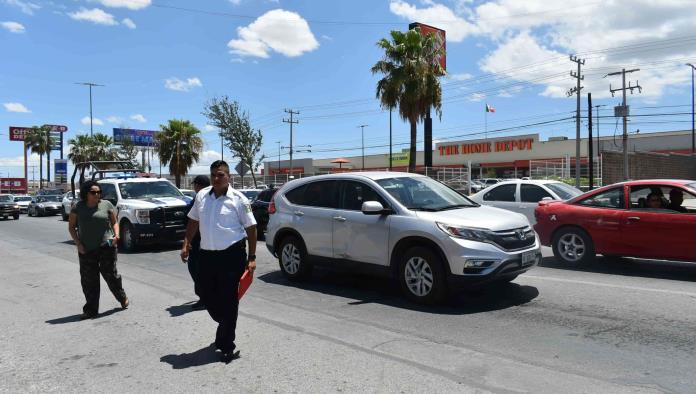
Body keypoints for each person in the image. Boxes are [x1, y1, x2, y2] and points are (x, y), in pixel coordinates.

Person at [181, 160, 257, 363]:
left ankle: (226, 346)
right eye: (213, 174)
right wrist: (186, 242)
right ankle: (224, 322)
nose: (216, 178)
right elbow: (193, 221)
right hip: (207, 255)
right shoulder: (201, 196)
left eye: (220, 174)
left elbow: (251, 229)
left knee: (230, 301)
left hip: (232, 256)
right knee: (205, 294)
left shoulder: (239, 200)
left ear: (228, 176)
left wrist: (252, 258)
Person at [68, 180, 129, 319]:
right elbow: (71, 227)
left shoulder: (106, 205)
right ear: (86, 193)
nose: (97, 194)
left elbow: (115, 223)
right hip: (86, 249)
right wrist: (78, 244)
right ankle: (91, 310)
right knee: (89, 280)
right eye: (93, 192)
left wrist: (116, 235)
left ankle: (122, 297)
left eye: (99, 192)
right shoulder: (78, 207)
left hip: (106, 245)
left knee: (110, 275)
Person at [183, 175, 211, 310]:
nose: (194, 187)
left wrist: (187, 243)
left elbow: (193, 221)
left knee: (196, 269)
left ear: (199, 185)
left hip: (199, 240)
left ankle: (205, 298)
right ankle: (207, 296)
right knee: (200, 269)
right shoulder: (208, 198)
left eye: (195, 185)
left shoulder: (200, 199)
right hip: (201, 239)